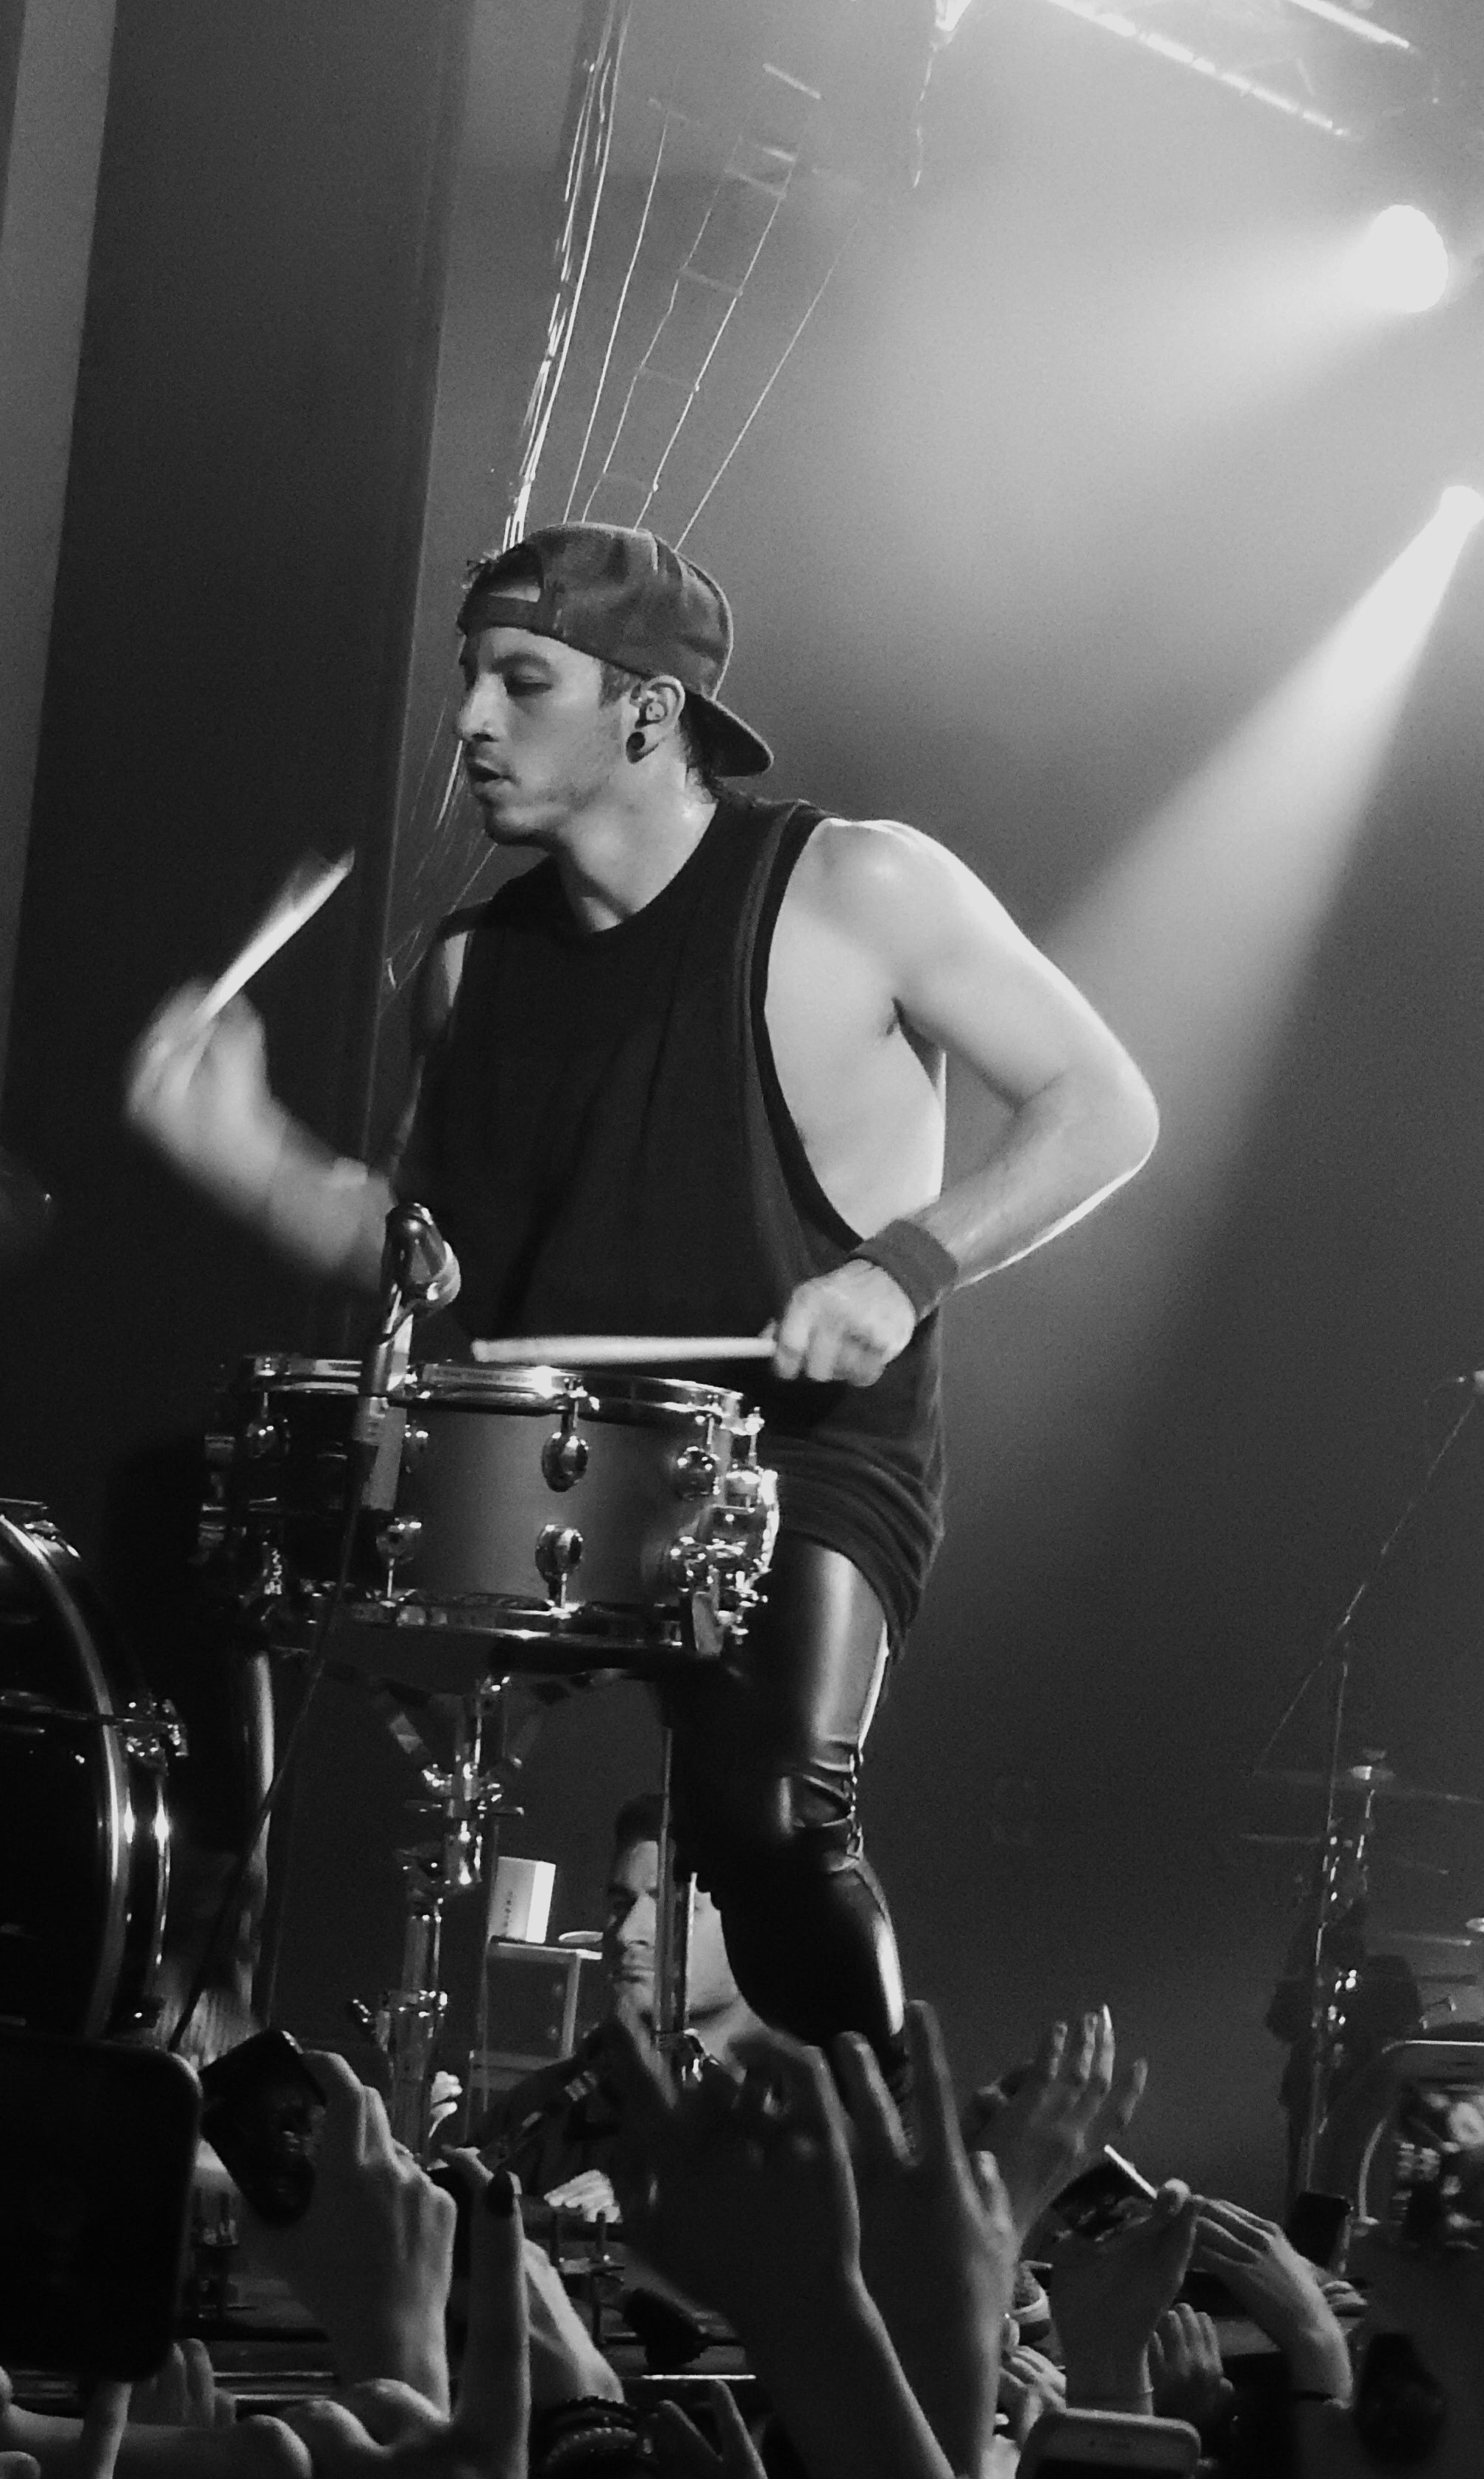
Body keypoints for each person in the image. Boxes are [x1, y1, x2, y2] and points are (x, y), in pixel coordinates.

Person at [129, 522, 1157, 2062]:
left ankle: (885, 2180)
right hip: (557, 1443)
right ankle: (205, 2034)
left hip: (794, 1457)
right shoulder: (474, 968)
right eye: (469, 680)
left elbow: (1104, 1106)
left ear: (647, 710)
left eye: (519, 680)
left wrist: (904, 1268)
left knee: (768, 1827)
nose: (471, 720)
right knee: (183, 1510)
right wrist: (252, 1157)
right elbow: (435, 1262)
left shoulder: (853, 886)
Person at [471, 1794, 766, 2208]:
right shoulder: (541, 2110)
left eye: (673, 1907)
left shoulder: (804, 2126)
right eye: (620, 1904)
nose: (628, 1933)